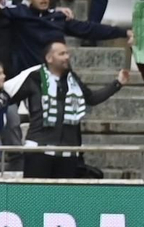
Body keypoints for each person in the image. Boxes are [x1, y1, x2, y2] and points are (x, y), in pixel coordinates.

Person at [7, 39, 129, 179]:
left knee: (63, 199)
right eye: (62, 53)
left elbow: (92, 98)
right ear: (49, 58)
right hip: (38, 151)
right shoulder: (34, 78)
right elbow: (6, 96)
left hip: (68, 152)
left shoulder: (73, 80)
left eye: (67, 53)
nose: (67, 57)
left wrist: (117, 83)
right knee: (35, 198)